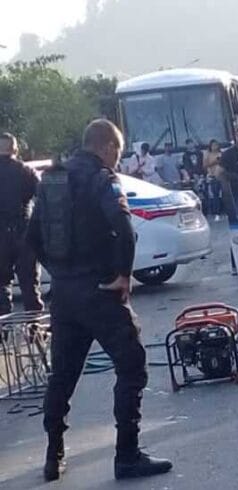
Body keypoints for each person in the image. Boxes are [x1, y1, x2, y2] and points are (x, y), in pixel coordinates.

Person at [27, 119, 172, 481]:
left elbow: (32, 238)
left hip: (64, 294)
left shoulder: (52, 180)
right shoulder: (103, 180)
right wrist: (123, 274)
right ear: (107, 146)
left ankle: (53, 454)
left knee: (62, 375)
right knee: (132, 366)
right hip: (100, 291)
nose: (117, 159)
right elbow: (123, 228)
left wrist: (59, 271)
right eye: (117, 152)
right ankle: (127, 455)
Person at [0, 133, 43, 315]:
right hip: (24, 231)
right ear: (15, 149)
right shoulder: (26, 171)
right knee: (29, 284)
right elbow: (42, 198)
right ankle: (35, 330)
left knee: (1, 286)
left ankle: (3, 332)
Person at [203, 139, 224, 220]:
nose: (215, 147)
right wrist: (215, 161)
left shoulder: (221, 153)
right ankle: (216, 213)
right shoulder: (208, 154)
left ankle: (225, 211)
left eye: (216, 145)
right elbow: (205, 166)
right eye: (213, 145)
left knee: (225, 194)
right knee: (215, 195)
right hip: (213, 176)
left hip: (222, 176)